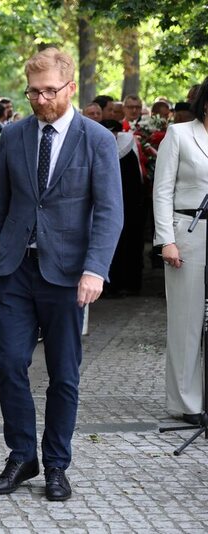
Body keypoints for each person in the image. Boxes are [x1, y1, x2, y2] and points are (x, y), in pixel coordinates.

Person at [0, 48, 122, 501]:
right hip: (15, 268)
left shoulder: (96, 139)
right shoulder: (15, 135)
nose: (40, 100)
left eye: (49, 92)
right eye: (33, 92)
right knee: (9, 363)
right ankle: (22, 454)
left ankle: (57, 463)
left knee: (63, 374)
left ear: (70, 86)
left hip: (69, 273)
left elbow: (109, 212)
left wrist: (95, 269)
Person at [153, 76, 208, 424]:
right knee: (187, 320)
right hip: (188, 232)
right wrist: (166, 240)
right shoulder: (180, 134)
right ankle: (187, 402)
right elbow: (162, 190)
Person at [100, 119, 145, 297]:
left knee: (126, 246)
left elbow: (135, 185)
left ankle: (124, 284)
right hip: (104, 208)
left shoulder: (127, 153)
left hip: (127, 208)